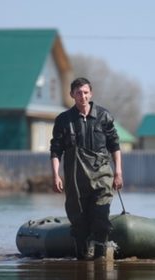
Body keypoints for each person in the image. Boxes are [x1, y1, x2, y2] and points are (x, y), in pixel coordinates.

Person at [50, 77, 123, 260]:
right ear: (72, 95)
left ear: (91, 94)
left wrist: (118, 172)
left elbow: (115, 146)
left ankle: (100, 258)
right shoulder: (64, 120)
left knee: (101, 216)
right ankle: (81, 261)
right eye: (78, 93)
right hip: (76, 180)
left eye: (85, 92)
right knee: (79, 221)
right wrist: (56, 175)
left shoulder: (104, 116)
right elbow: (56, 150)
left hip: (102, 177)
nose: (82, 96)